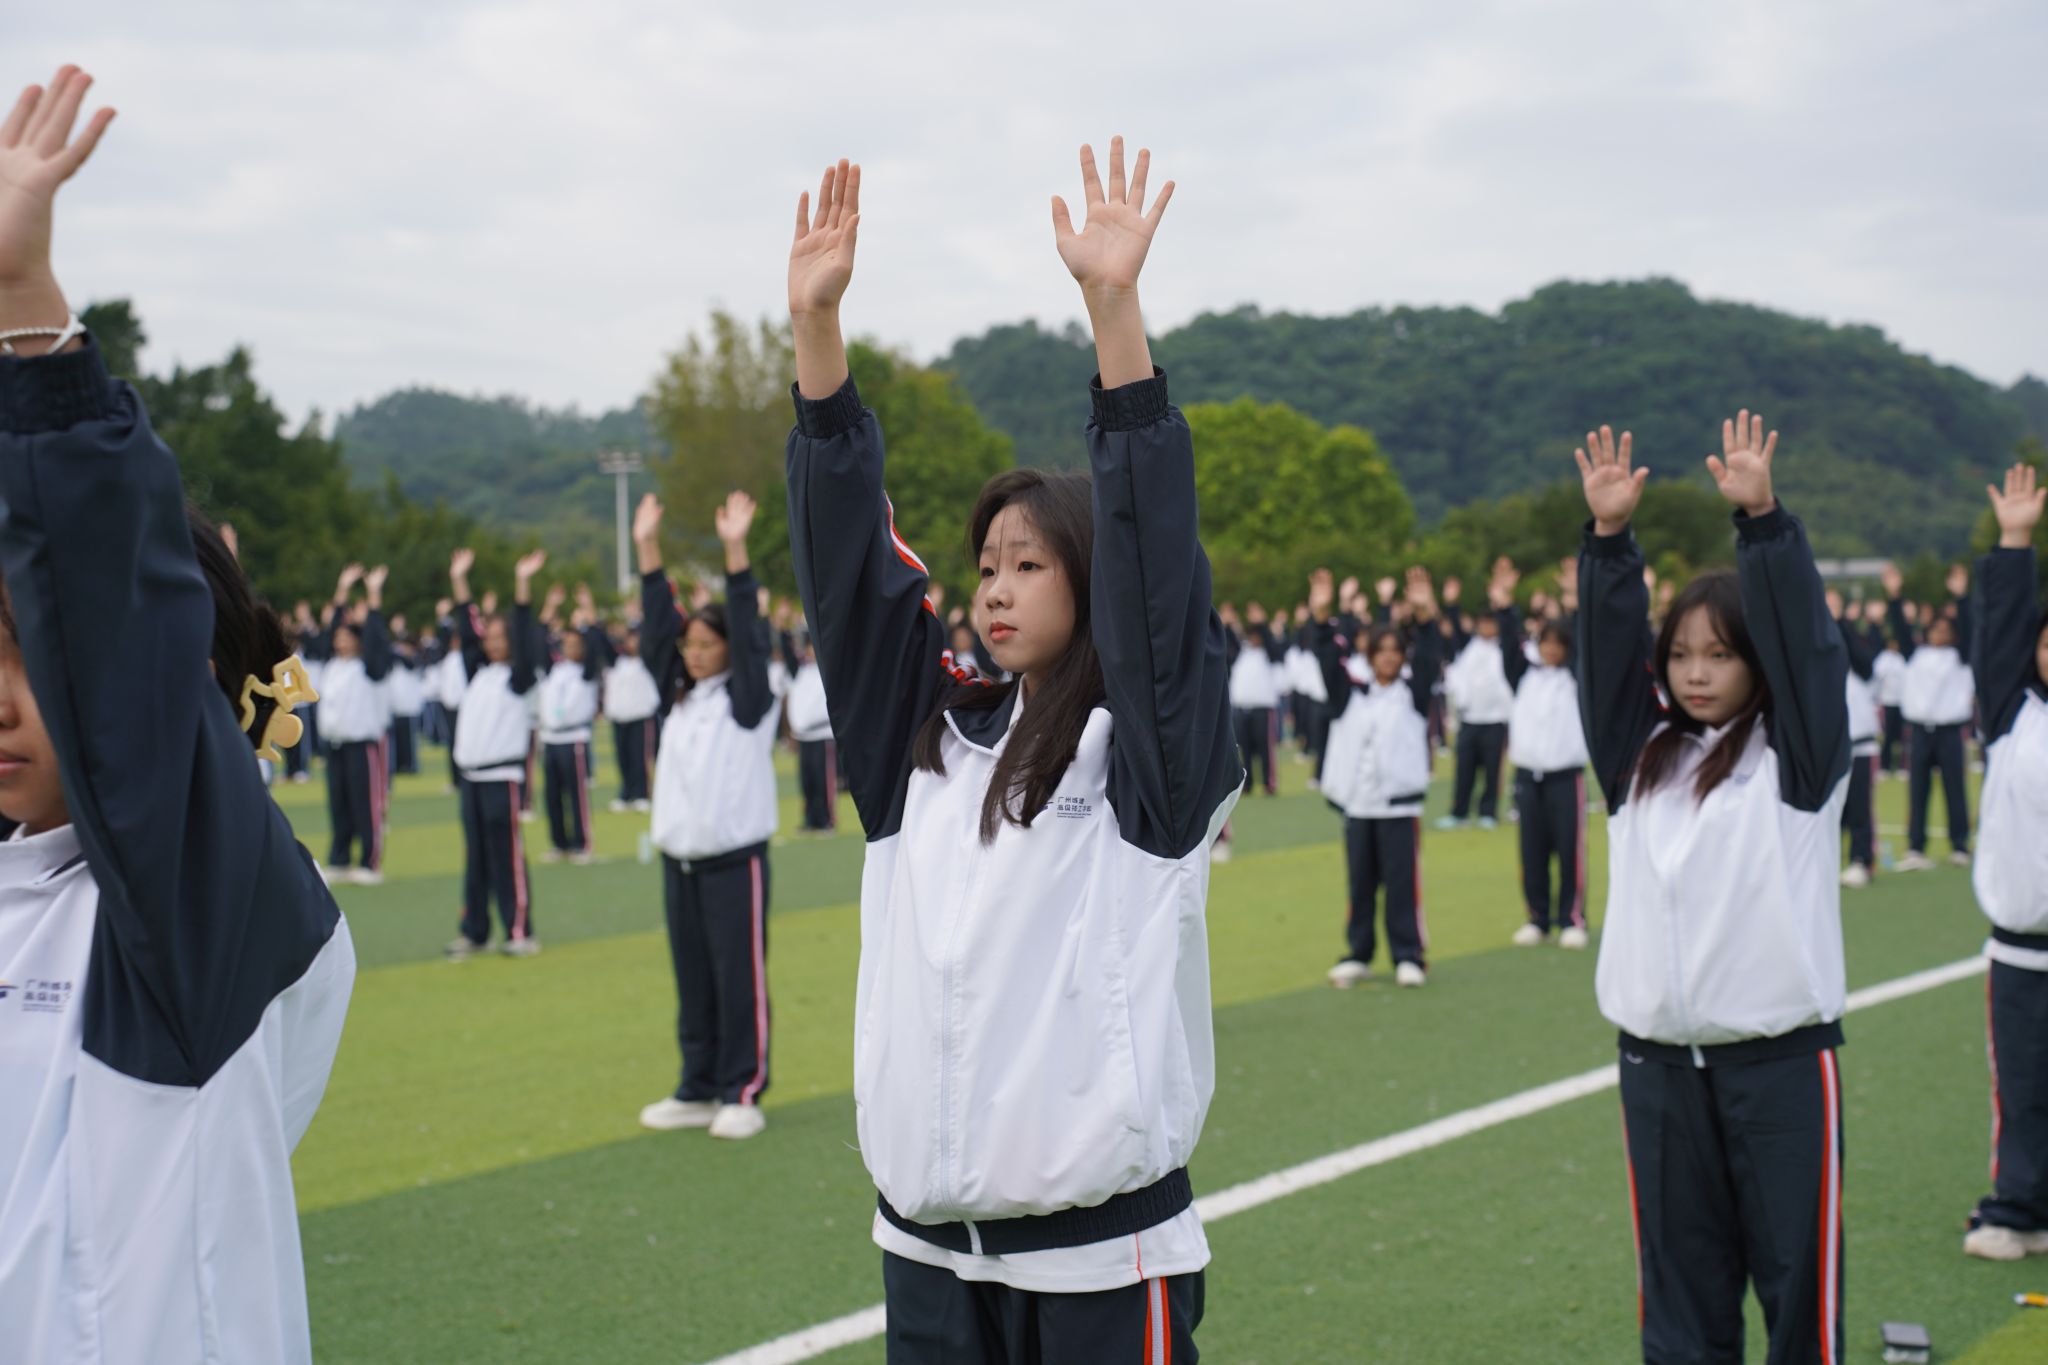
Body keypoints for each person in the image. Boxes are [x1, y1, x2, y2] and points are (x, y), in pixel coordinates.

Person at [787, 144, 1235, 1362]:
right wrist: (817, 336)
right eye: (985, 564)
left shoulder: (1141, 760)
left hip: (1099, 1260)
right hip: (929, 1254)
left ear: (1087, 582)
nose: (993, 587)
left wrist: (1114, 321)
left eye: (1028, 564)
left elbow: (1156, 585)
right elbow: (850, 585)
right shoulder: (923, 744)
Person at [0, 66, 355, 1362]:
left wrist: (26, 311)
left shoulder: (193, 919)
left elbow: (127, 651)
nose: (5, 701)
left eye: (33, 659)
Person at [1576, 416, 1849, 1365]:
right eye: (1682, 652)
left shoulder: (1797, 763)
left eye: (1721, 654)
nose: (1696, 672)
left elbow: (1809, 653)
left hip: (1778, 1067)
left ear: (1756, 663)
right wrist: (1609, 541)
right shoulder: (1639, 758)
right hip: (1657, 1072)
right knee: (1680, 1310)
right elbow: (1603, 658)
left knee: (1797, 1295)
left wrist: (1763, 525)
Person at [634, 489, 781, 1141]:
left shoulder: (748, 702)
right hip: (681, 862)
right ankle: (696, 1085)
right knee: (692, 979)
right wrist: (646, 549)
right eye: (689, 644)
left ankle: (741, 1089)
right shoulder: (679, 699)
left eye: (706, 643)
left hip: (733, 862)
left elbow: (749, 636)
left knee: (737, 978)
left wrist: (735, 552)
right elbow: (655, 632)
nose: (694, 653)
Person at [1963, 462, 2048, 1261]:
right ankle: (2018, 1207)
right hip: (2022, 951)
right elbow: (2001, 633)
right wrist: (2015, 542)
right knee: (2023, 1086)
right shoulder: (2012, 714)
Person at [1314, 566, 1442, 990]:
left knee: (1401, 885)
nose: (1388, 657)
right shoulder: (1351, 695)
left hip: (1398, 807)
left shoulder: (1413, 695)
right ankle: (1359, 952)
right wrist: (1321, 617)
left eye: (1395, 650)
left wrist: (1424, 615)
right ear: (1369, 656)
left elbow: (1430, 656)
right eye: (1380, 650)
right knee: (1360, 885)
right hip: (1358, 806)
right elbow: (1327, 660)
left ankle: (1409, 955)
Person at [446, 546, 545, 958]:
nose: (492, 644)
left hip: (502, 778)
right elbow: (468, 631)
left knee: (507, 857)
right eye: (490, 638)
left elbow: (524, 632)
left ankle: (519, 931)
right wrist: (459, 580)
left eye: (501, 638)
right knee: (476, 860)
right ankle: (476, 931)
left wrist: (522, 585)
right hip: (471, 778)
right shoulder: (479, 673)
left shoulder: (519, 679)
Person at [1499, 562, 1591, 949]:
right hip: (1528, 776)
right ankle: (1537, 917)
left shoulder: (1575, 678)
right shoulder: (1525, 676)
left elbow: (1586, 645)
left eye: (1558, 644)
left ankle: (1571, 917)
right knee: (1532, 851)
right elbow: (1508, 646)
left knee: (1569, 849)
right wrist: (1506, 606)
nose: (1550, 649)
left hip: (1564, 777)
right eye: (1545, 642)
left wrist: (1575, 603)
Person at [1886, 559, 1974, 869]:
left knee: (1954, 788)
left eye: (1945, 630)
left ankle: (1960, 844)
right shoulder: (1915, 655)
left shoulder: (1960, 657)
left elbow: (1969, 629)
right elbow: (1900, 629)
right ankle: (1916, 846)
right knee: (1918, 790)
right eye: (1935, 629)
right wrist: (1894, 596)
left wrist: (1961, 597)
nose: (1939, 634)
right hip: (1921, 730)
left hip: (1950, 731)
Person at [315, 563, 394, 884]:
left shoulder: (369, 668)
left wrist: (374, 596)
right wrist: (342, 590)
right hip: (334, 744)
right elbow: (328, 630)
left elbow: (376, 639)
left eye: (348, 637)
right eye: (339, 637)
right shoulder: (331, 665)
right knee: (339, 803)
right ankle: (340, 857)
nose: (341, 642)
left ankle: (369, 861)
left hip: (362, 745)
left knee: (365, 803)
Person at [1438, 559, 1514, 830]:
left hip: (1495, 720)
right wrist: (1451, 604)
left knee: (1493, 770)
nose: (1487, 628)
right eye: (1483, 624)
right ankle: (1459, 812)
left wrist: (1503, 599)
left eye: (1491, 624)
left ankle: (1488, 812)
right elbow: (1456, 630)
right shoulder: (1468, 646)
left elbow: (1511, 625)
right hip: (1470, 719)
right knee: (1464, 770)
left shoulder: (1506, 648)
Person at [536, 590, 604, 862]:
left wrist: (588, 611)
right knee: (552, 795)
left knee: (577, 795)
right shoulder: (554, 670)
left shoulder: (585, 671)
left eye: (576, 644)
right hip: (550, 738)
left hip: (574, 738)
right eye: (566, 644)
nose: (570, 648)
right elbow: (537, 640)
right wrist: (549, 606)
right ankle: (559, 843)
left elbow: (597, 643)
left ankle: (582, 843)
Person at [1833, 589, 1882, 888]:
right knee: (1830, 809)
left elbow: (1866, 665)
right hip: (1830, 744)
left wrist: (1843, 623)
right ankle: (1828, 862)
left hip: (1860, 740)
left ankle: (1861, 860)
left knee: (1859, 806)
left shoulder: (1857, 651)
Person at [603, 620, 660, 812]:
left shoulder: (647, 662)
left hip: (641, 717)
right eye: (630, 639)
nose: (633, 643)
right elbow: (601, 643)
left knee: (640, 758)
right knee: (623, 758)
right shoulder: (617, 662)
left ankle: (642, 793)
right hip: (619, 717)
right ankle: (626, 793)